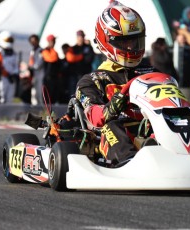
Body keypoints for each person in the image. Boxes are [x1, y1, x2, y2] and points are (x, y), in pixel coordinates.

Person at [72, 1, 157, 166]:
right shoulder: (93, 80)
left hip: (149, 127)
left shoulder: (152, 73)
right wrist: (109, 109)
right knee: (112, 126)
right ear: (106, 41)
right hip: (114, 134)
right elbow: (91, 115)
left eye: (135, 41)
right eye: (125, 42)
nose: (131, 47)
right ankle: (130, 163)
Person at [0, 31, 19, 104]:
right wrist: (7, 75)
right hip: (3, 78)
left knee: (10, 97)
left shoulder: (13, 53)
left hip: (11, 78)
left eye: (10, 40)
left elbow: (15, 65)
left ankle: (8, 114)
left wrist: (15, 74)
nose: (9, 42)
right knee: (2, 95)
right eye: (7, 40)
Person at [42, 34, 60, 103]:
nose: (54, 42)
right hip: (47, 78)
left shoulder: (54, 51)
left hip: (54, 78)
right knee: (47, 97)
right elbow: (51, 59)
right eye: (53, 40)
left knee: (53, 96)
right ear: (49, 41)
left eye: (54, 41)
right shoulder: (45, 51)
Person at [28, 34, 44, 105]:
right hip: (34, 74)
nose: (33, 43)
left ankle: (42, 109)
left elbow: (38, 64)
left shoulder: (41, 51)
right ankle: (34, 108)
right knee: (34, 93)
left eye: (34, 41)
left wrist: (30, 66)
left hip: (40, 74)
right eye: (31, 41)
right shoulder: (32, 51)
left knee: (40, 93)